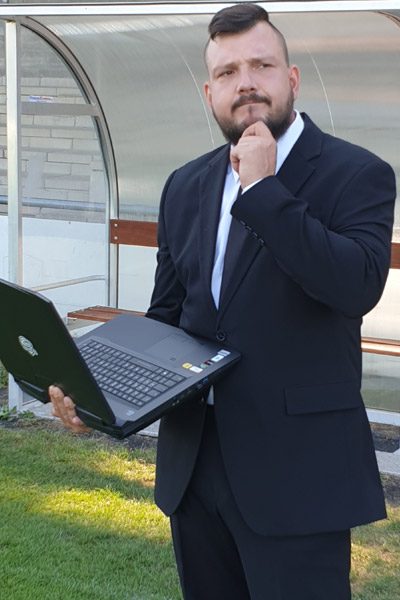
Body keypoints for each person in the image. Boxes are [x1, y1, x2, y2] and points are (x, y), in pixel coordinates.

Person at [50, 4, 397, 599]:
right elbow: (167, 318)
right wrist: (97, 394)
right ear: (209, 93)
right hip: (194, 467)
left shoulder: (356, 173)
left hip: (297, 475)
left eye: (262, 65)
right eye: (229, 72)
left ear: (291, 78)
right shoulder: (186, 184)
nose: (247, 83)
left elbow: (355, 286)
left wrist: (263, 188)